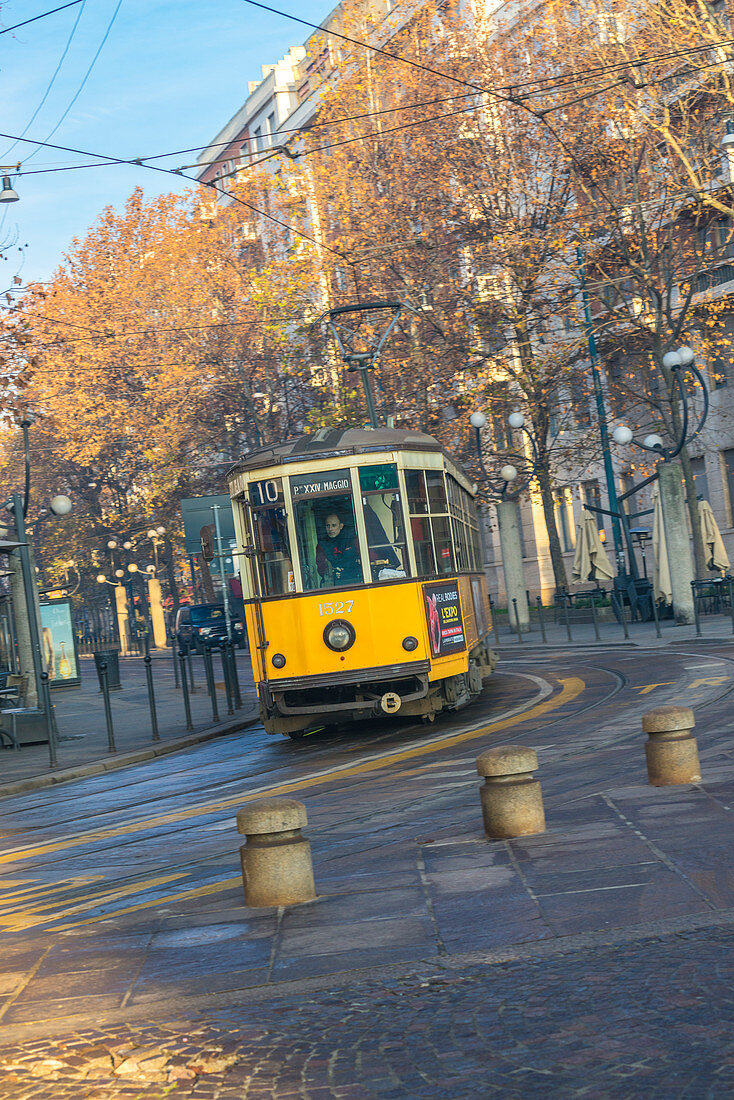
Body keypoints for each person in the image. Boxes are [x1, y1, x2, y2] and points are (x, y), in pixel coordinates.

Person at [316, 513, 361, 586]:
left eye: (333, 525)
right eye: (328, 526)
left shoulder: (351, 539)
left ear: (341, 526)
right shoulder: (321, 545)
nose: (330, 529)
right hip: (333, 584)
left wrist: (348, 571)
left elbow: (363, 559)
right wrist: (332, 572)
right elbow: (321, 568)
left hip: (355, 580)